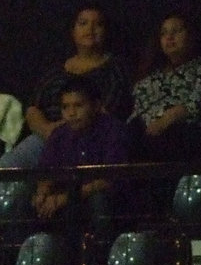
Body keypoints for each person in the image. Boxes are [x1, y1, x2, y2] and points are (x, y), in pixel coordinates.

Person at [2, 5, 131, 170]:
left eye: (97, 24)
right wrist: (48, 130)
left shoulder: (114, 70)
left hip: (89, 140)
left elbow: (107, 112)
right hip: (46, 137)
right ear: (73, 31)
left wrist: (64, 131)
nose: (90, 29)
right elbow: (33, 109)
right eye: (83, 23)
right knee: (9, 165)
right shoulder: (56, 70)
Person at [31, 77, 130, 237]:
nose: (71, 113)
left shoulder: (113, 131)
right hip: (66, 199)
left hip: (108, 202)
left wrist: (65, 198)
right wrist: (42, 193)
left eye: (78, 105)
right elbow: (46, 170)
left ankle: (101, 255)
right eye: (65, 107)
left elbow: (109, 180)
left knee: (98, 201)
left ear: (96, 106)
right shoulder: (59, 135)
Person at [128, 11, 201, 161]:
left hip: (188, 135)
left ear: (191, 35)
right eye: (164, 33)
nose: (169, 37)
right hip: (147, 138)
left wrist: (172, 116)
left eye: (176, 31)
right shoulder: (149, 76)